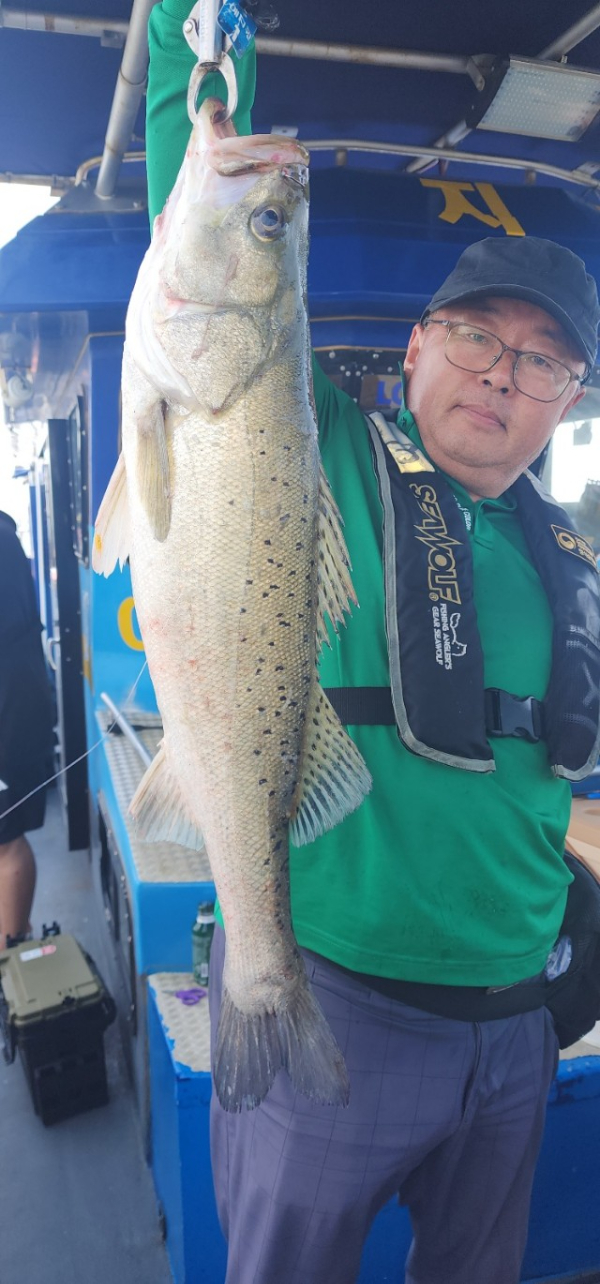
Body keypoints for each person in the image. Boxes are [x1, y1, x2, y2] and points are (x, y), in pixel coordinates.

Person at [145, 10, 600, 1283]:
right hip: (339, 989)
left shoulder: (572, 557)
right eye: (476, 337)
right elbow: (218, 262)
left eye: (544, 364)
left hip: (519, 1025)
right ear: (414, 348)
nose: (503, 377)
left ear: (570, 402)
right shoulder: (323, 447)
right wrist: (202, 62)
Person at [0, 509, 55, 950]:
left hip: (9, 714)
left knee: (5, 841)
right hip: (20, 705)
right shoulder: (7, 535)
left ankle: (11, 956)